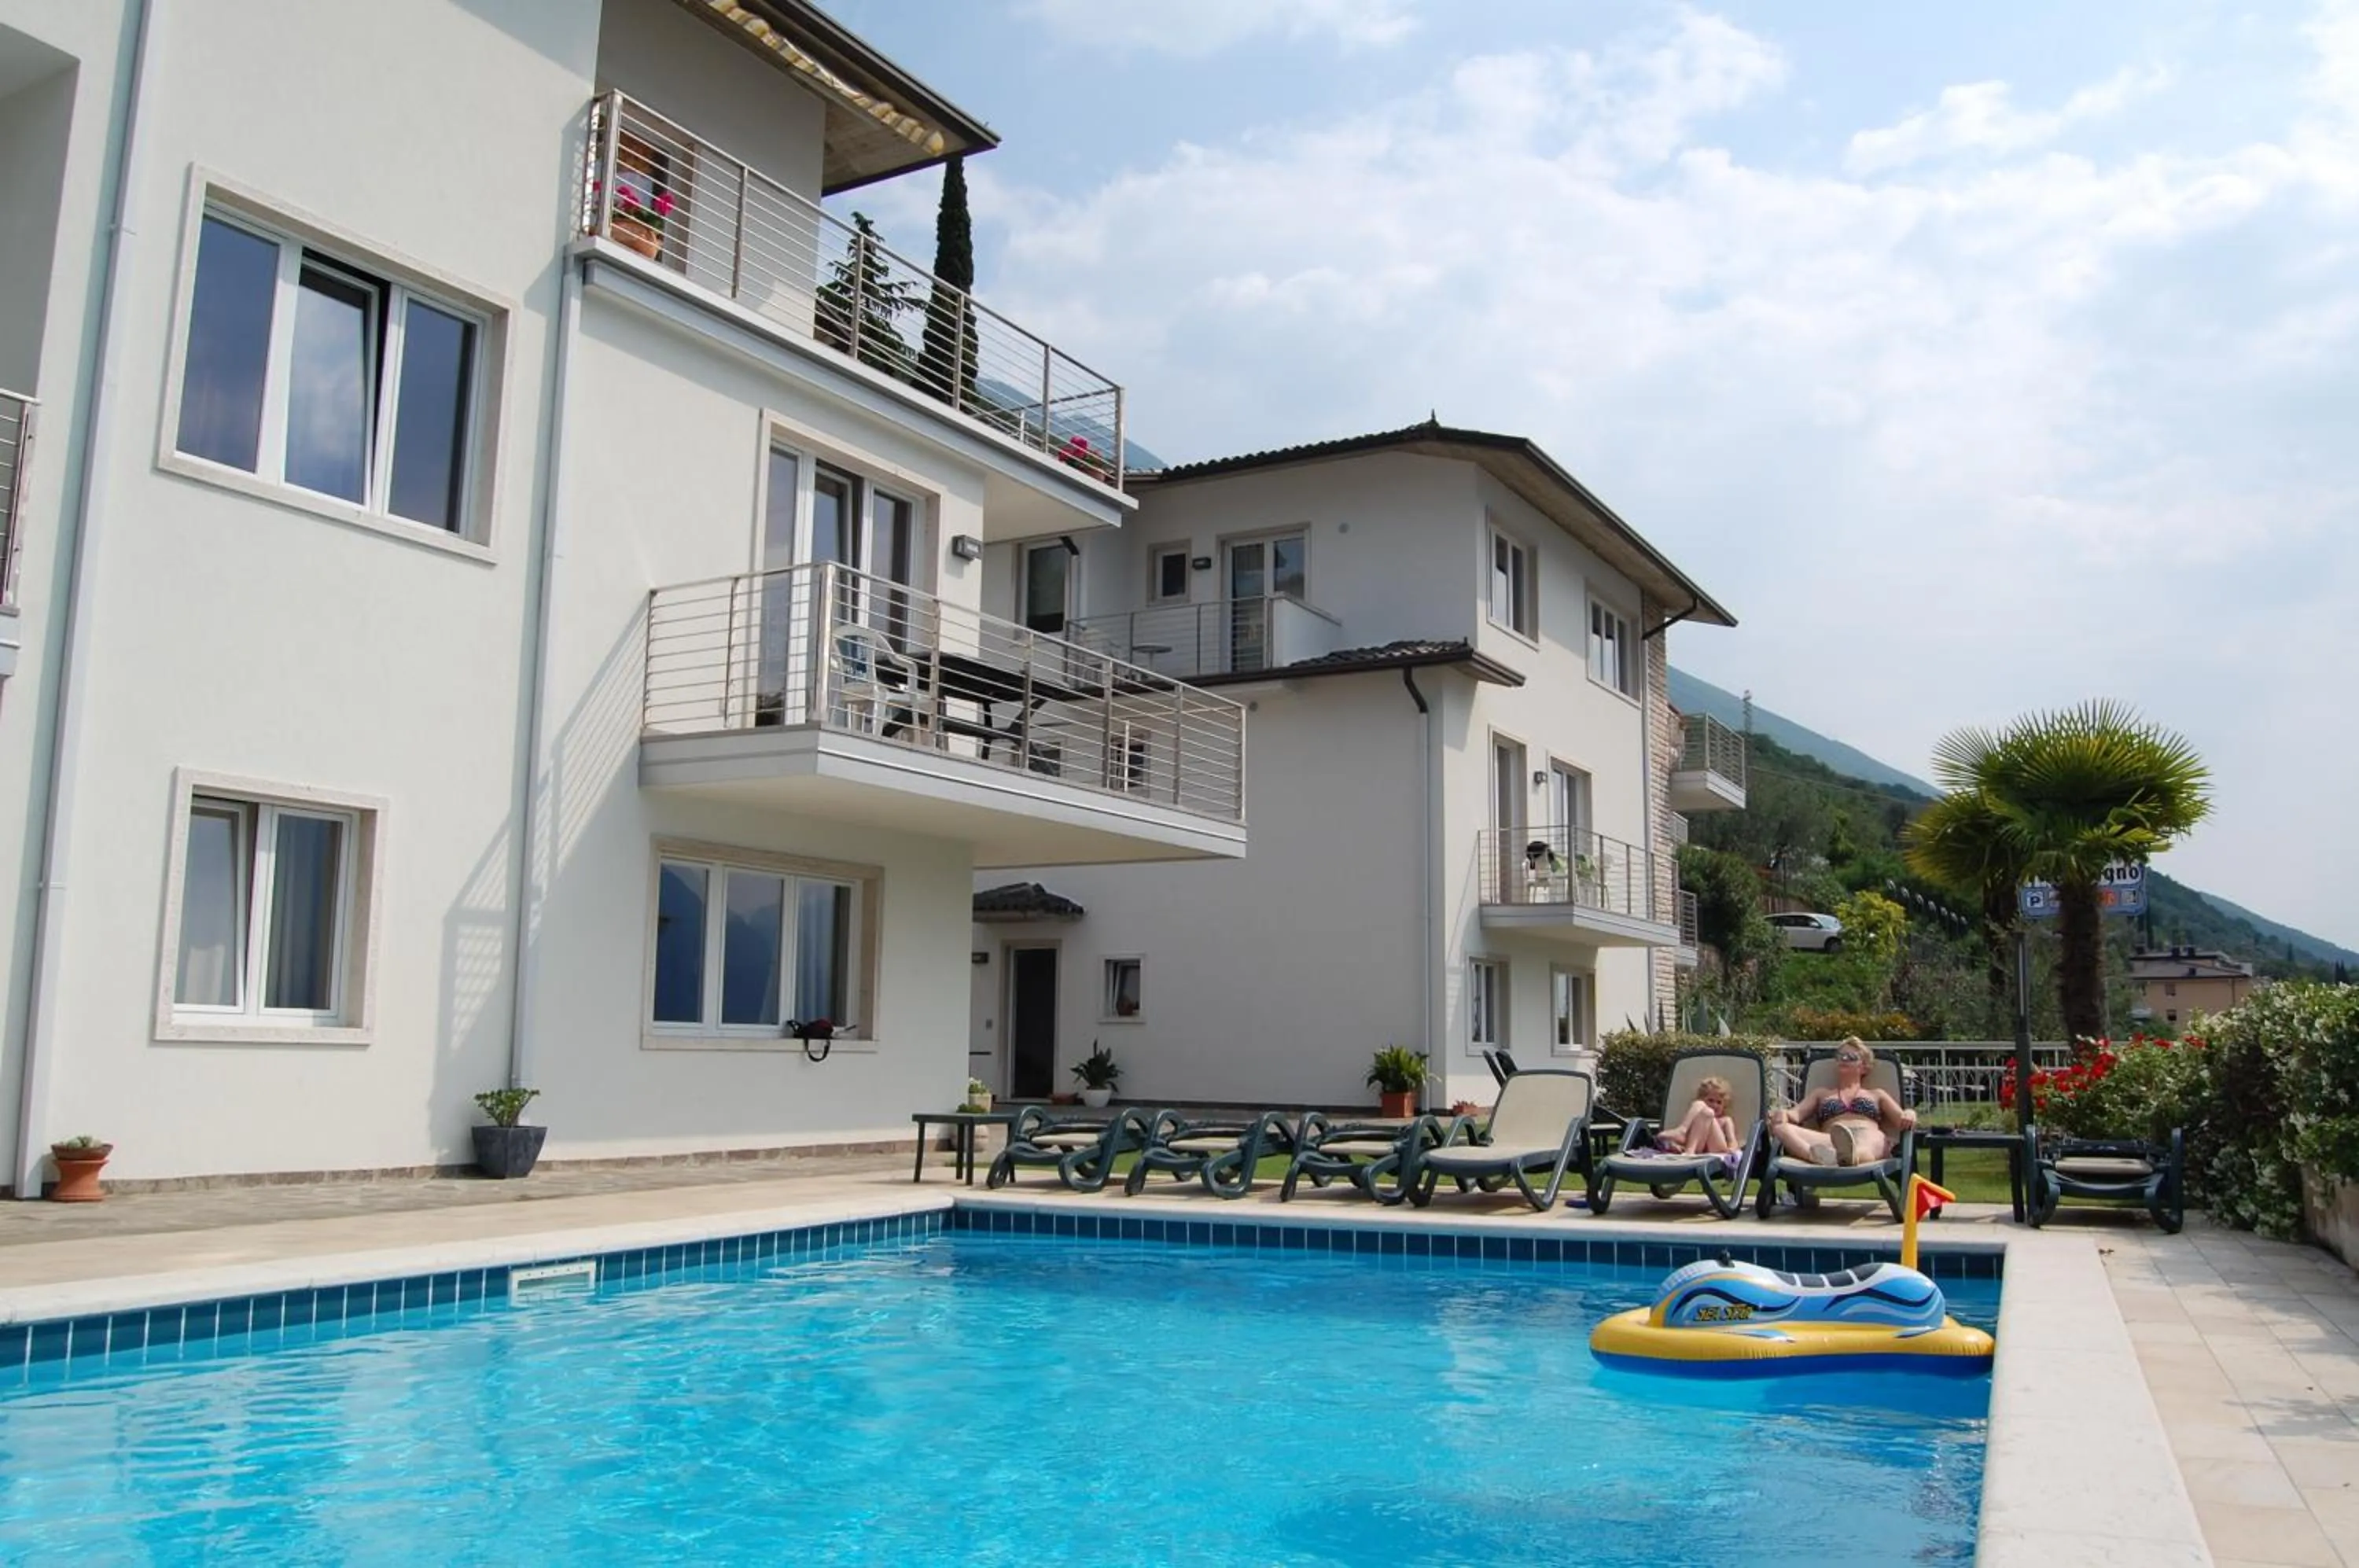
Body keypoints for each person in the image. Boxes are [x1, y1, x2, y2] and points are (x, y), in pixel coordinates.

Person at [1768, 1037, 1916, 1166]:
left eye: (1850, 1057)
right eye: (1840, 1056)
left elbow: (1901, 1119)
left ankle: (1853, 1157)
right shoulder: (1821, 1093)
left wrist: (1909, 1113)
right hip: (1831, 1141)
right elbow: (1795, 1115)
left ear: (1864, 1067)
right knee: (1781, 1128)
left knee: (1877, 1138)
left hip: (1866, 1138)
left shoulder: (1877, 1095)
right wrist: (1782, 1114)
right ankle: (1816, 1157)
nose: (1844, 1060)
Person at [1655, 1075, 1739, 1155]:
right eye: (1711, 1100)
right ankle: (1685, 1138)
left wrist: (1733, 1149)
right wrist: (1675, 1146)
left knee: (1708, 1113)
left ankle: (1683, 1131)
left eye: (1719, 1102)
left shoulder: (1725, 1120)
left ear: (1724, 1105)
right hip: (1698, 1148)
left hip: (1717, 1149)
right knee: (1701, 1107)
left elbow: (1732, 1140)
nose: (1715, 1105)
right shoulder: (1697, 1118)